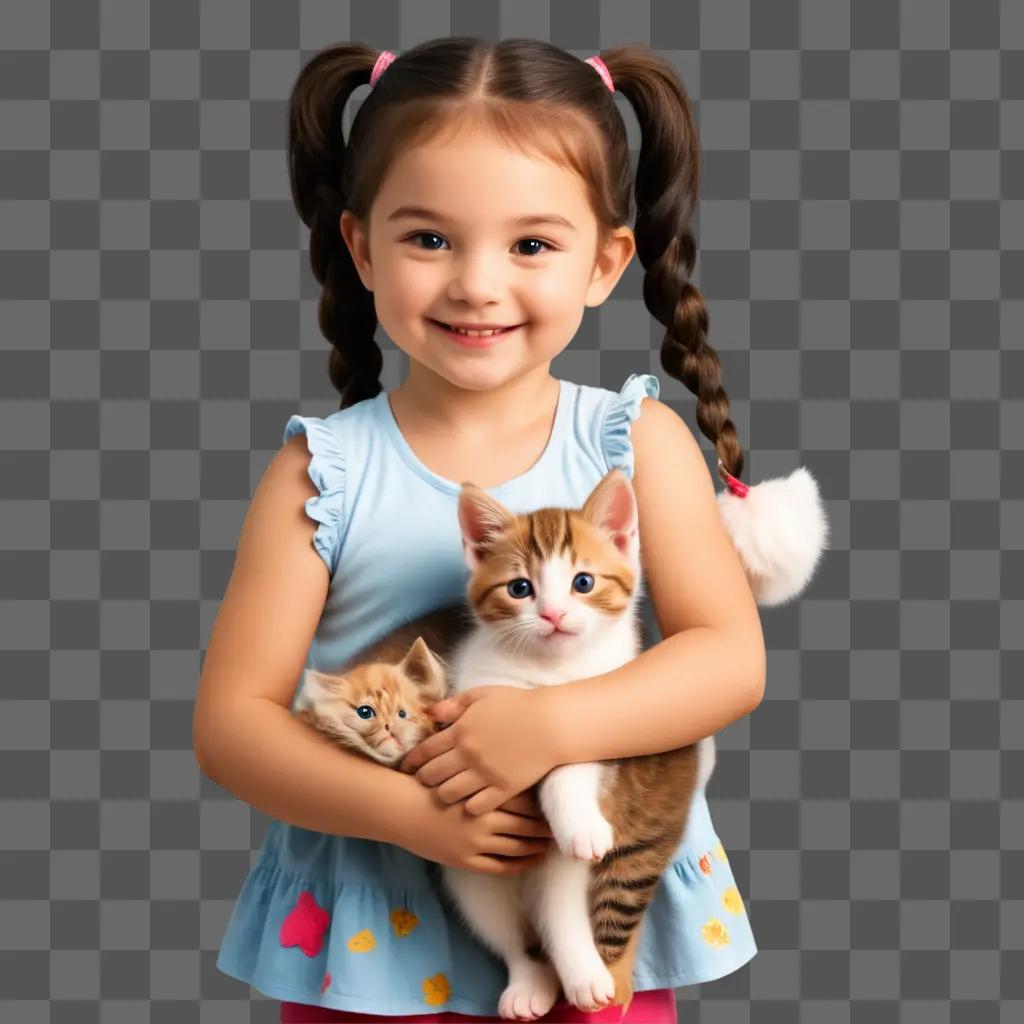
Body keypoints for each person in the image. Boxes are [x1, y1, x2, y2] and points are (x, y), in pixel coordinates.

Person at [194, 37, 825, 1024]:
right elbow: (233, 725)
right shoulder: (322, 472)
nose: (477, 284)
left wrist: (555, 725)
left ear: (605, 261)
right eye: (429, 239)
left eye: (530, 244)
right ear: (361, 248)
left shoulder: (635, 441)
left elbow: (728, 660)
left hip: (592, 887)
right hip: (377, 924)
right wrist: (408, 811)